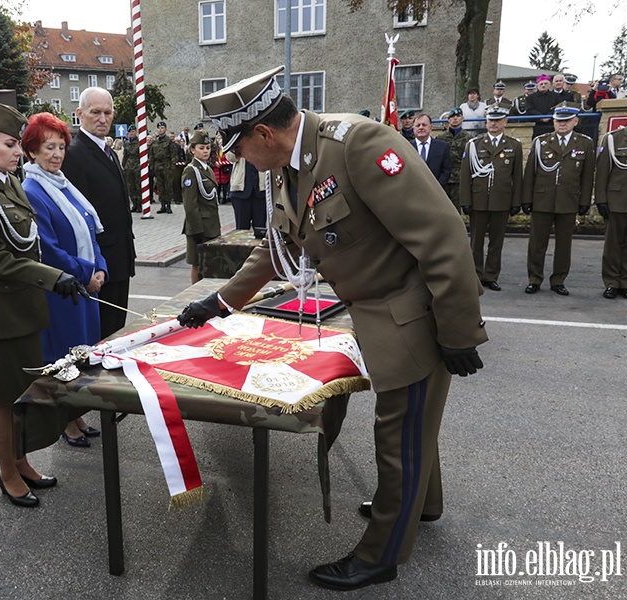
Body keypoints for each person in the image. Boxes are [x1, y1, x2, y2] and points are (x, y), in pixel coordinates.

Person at [181, 67, 487, 591]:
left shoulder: (356, 145)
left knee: (399, 437)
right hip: (372, 312)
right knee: (415, 423)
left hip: (410, 311)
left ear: (264, 134)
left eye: (238, 149)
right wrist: (218, 301)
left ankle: (381, 555)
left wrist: (460, 330)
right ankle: (423, 505)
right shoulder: (291, 164)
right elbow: (275, 250)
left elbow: (442, 236)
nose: (237, 161)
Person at [0, 101, 89, 508]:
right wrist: (53, 278)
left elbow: (29, 244)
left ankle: (22, 461)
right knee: (1, 396)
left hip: (27, 307)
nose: (18, 152)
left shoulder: (8, 184)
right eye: (10, 144)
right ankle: (7, 472)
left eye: (17, 145)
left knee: (25, 392)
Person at [20, 112, 106, 447]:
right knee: (63, 360)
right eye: (48, 148)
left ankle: (76, 414)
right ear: (31, 152)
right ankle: (65, 422)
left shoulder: (63, 185)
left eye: (60, 147)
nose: (56, 154)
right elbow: (50, 250)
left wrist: (100, 268)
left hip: (84, 289)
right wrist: (88, 275)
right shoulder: (33, 190)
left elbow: (89, 230)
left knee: (81, 357)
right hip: (62, 291)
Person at [63, 87, 137, 341]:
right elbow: (77, 218)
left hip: (120, 258)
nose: (103, 119)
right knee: (103, 336)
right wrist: (90, 265)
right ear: (80, 114)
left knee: (117, 331)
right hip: (100, 264)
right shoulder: (74, 154)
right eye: (95, 112)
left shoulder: (108, 150)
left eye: (107, 112)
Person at [522, 103, 595, 296]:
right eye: (558, 121)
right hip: (542, 199)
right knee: (537, 243)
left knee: (564, 244)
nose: (562, 124)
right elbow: (530, 173)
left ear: (575, 121)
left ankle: (558, 280)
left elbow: (587, 176)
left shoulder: (585, 143)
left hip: (568, 200)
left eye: (566, 121)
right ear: (553, 122)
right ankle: (534, 278)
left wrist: (584, 201)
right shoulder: (541, 142)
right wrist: (527, 199)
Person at [459, 104, 523, 291]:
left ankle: (491, 275)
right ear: (486, 122)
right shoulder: (473, 145)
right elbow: (465, 176)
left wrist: (515, 202)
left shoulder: (514, 146)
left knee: (497, 242)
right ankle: (476, 275)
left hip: (501, 201)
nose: (493, 124)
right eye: (490, 120)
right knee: (475, 243)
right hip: (479, 200)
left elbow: (517, 177)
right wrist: (466, 201)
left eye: (497, 120)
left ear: (505, 122)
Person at [595, 98, 627, 300]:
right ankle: (611, 282)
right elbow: (602, 171)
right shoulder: (615, 138)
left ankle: (626, 282)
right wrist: (601, 199)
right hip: (617, 199)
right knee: (613, 244)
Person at [181, 130, 221, 284]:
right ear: (192, 150)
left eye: (208, 148)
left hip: (211, 225)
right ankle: (195, 296)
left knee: (210, 263)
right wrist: (197, 230)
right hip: (199, 227)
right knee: (197, 263)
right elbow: (190, 204)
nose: (205, 151)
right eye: (201, 148)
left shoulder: (207, 169)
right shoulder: (191, 171)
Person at [436, 108, 473, 211]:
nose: (455, 118)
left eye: (458, 116)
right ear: (448, 120)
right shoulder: (441, 138)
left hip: (459, 179)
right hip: (443, 178)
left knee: (456, 210)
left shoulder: (469, 139)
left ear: (462, 118)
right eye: (452, 117)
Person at [410, 114, 451, 191]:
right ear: (413, 128)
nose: (421, 127)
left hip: (437, 191)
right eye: (418, 125)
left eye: (424, 125)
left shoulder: (443, 146)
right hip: (413, 191)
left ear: (430, 128)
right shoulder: (407, 146)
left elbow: (446, 170)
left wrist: (437, 188)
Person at [229, 157, 266, 230]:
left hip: (261, 189)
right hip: (240, 190)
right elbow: (230, 157)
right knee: (241, 230)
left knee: (260, 229)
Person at [149, 121, 176, 214]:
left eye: (162, 128)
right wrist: (151, 166)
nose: (160, 129)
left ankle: (168, 205)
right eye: (159, 128)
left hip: (166, 165)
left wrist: (172, 167)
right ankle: (162, 205)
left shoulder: (169, 141)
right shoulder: (155, 142)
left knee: (167, 186)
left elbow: (173, 155)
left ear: (165, 129)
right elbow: (152, 155)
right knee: (160, 186)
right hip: (157, 165)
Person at [212, 132, 233, 204]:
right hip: (216, 170)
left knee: (225, 185)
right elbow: (212, 159)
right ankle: (217, 198)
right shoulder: (215, 151)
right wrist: (215, 164)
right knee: (217, 186)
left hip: (224, 170)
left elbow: (228, 158)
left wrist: (222, 164)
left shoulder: (225, 150)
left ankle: (224, 198)